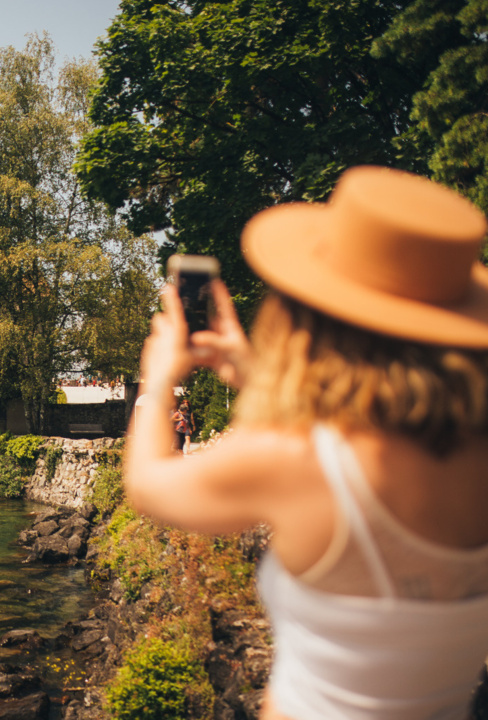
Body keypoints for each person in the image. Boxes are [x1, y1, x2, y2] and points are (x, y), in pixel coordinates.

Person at [125, 166, 488, 720]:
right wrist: (252, 372)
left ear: (309, 316)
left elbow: (150, 484)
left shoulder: (302, 462)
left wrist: (157, 379)